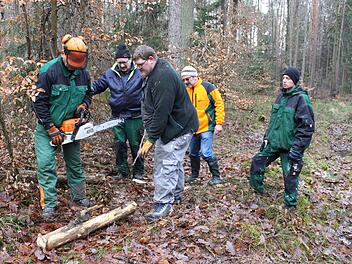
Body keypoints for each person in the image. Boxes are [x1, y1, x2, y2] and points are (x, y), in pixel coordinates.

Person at [133, 45, 199, 221]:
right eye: (137, 65)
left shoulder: (163, 77)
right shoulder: (152, 74)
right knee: (174, 161)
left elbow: (162, 111)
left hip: (178, 127)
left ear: (151, 59)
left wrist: (151, 138)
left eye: (141, 65)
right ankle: (176, 194)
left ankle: (164, 203)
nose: (139, 69)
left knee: (165, 163)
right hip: (175, 125)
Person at [32, 34, 92, 220]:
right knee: (46, 165)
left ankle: (79, 196)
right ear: (64, 54)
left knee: (74, 164)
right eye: (73, 61)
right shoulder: (49, 71)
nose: (75, 65)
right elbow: (38, 102)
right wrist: (50, 128)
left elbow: (88, 94)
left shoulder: (84, 73)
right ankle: (49, 204)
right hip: (47, 128)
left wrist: (83, 106)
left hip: (70, 127)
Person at [249, 67, 315, 210]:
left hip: (290, 146)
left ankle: (290, 205)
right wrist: (266, 139)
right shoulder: (280, 96)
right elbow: (274, 121)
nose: (284, 81)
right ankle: (257, 190)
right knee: (257, 162)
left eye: (288, 79)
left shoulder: (301, 99)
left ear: (295, 82)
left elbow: (307, 127)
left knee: (290, 175)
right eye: (284, 78)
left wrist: (297, 148)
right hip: (273, 143)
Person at [92, 44, 144, 180]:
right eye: (119, 62)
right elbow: (98, 86)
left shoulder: (139, 72)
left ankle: (138, 171)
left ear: (130, 60)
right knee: (119, 145)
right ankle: (122, 172)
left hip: (135, 115)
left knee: (136, 145)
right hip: (117, 116)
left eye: (124, 62)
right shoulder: (110, 73)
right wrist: (85, 90)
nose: (122, 65)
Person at [181, 66, 225, 186]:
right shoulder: (186, 90)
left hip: (207, 126)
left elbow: (219, 104)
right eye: (183, 80)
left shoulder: (208, 87)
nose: (185, 82)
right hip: (193, 128)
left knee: (206, 152)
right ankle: (194, 175)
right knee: (193, 153)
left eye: (187, 79)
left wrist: (219, 123)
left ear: (195, 76)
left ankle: (216, 177)